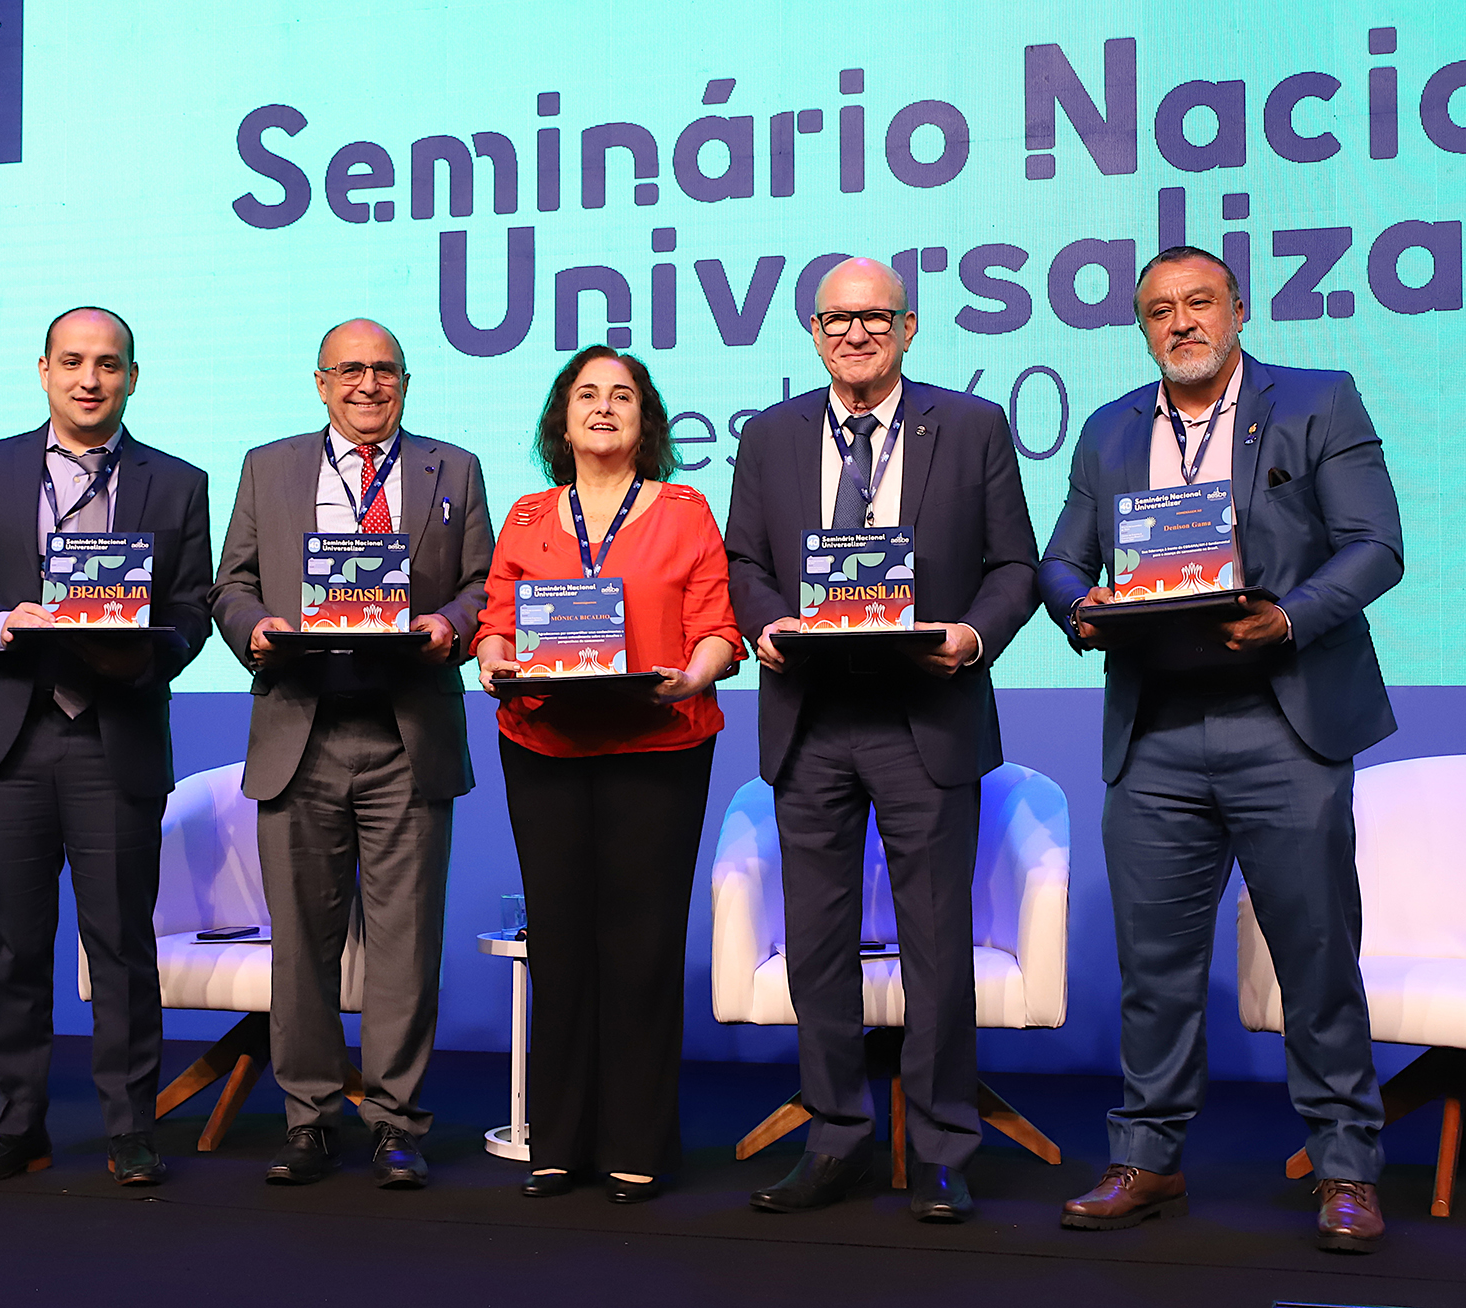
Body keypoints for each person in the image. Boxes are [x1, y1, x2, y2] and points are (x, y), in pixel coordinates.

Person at [1039, 246, 1402, 1253]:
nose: (1181, 322)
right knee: (1153, 970)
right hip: (1155, 731)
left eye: (1199, 302)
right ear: (1142, 327)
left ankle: (1345, 1168)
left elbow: (1377, 543)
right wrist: (1082, 610)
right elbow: (1061, 560)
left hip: (1284, 721)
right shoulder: (1111, 429)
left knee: (1316, 958)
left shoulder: (1317, 400)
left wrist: (1290, 618)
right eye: (1159, 311)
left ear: (1238, 310)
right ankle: (1146, 1160)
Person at [724, 258, 1040, 1222]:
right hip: (812, 719)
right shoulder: (771, 436)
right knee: (817, 945)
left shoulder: (973, 425)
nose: (856, 334)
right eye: (837, 319)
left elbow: (1013, 563)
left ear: (908, 327)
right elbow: (744, 558)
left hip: (925, 716)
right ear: (812, 332)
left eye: (875, 318)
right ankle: (836, 1140)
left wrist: (973, 636)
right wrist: (767, 623)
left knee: (935, 941)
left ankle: (944, 1147)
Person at [0, 307, 213, 1186]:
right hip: (6, 736)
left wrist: (145, 644)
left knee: (121, 942)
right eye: (74, 363)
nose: (91, 380)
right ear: (43, 370)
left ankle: (130, 1129)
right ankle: (19, 1126)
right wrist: (5, 623)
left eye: (109, 365)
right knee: (14, 941)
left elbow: (194, 612)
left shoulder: (178, 482)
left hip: (113, 735)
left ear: (132, 376)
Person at [210, 318, 493, 1188]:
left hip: (408, 732)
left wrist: (450, 623)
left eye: (385, 371)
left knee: (407, 945)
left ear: (405, 382)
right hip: (302, 726)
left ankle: (398, 1123)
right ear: (322, 382)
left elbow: (488, 582)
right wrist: (253, 628)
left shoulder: (456, 468)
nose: (368, 385)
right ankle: (308, 1117)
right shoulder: (269, 466)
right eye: (351, 371)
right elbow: (231, 582)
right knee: (302, 943)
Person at [474, 345, 742, 1204]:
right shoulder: (523, 516)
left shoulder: (687, 508)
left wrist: (698, 673)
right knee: (559, 941)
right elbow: (495, 621)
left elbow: (716, 625)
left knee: (642, 943)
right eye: (585, 394)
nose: (602, 407)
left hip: (658, 743)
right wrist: (492, 658)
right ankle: (557, 1142)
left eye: (621, 395)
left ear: (644, 419)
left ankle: (638, 1143)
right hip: (545, 742)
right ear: (561, 418)